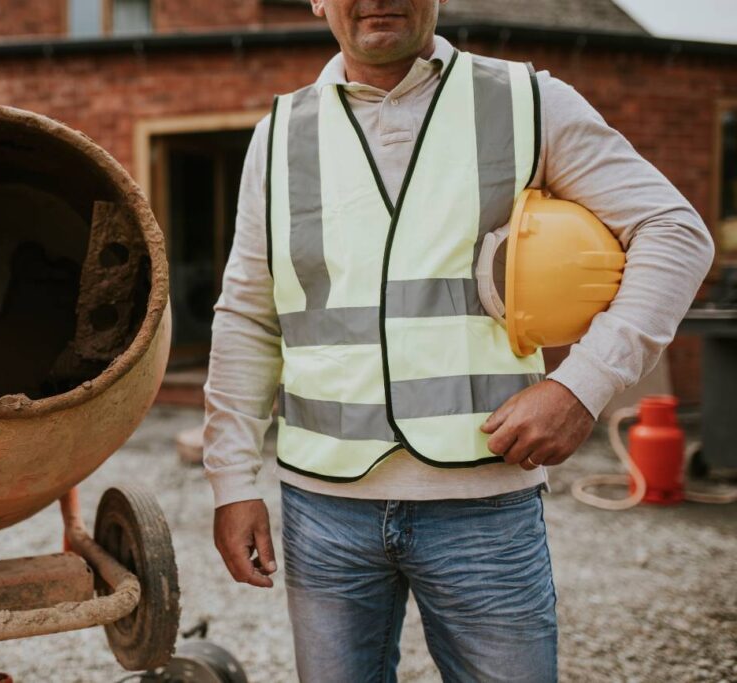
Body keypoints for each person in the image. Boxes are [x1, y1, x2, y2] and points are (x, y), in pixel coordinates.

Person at [202, 1, 715, 681]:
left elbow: (675, 233)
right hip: (323, 510)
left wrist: (580, 387)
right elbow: (247, 313)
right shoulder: (278, 135)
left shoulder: (529, 103)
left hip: (485, 509)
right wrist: (231, 481)